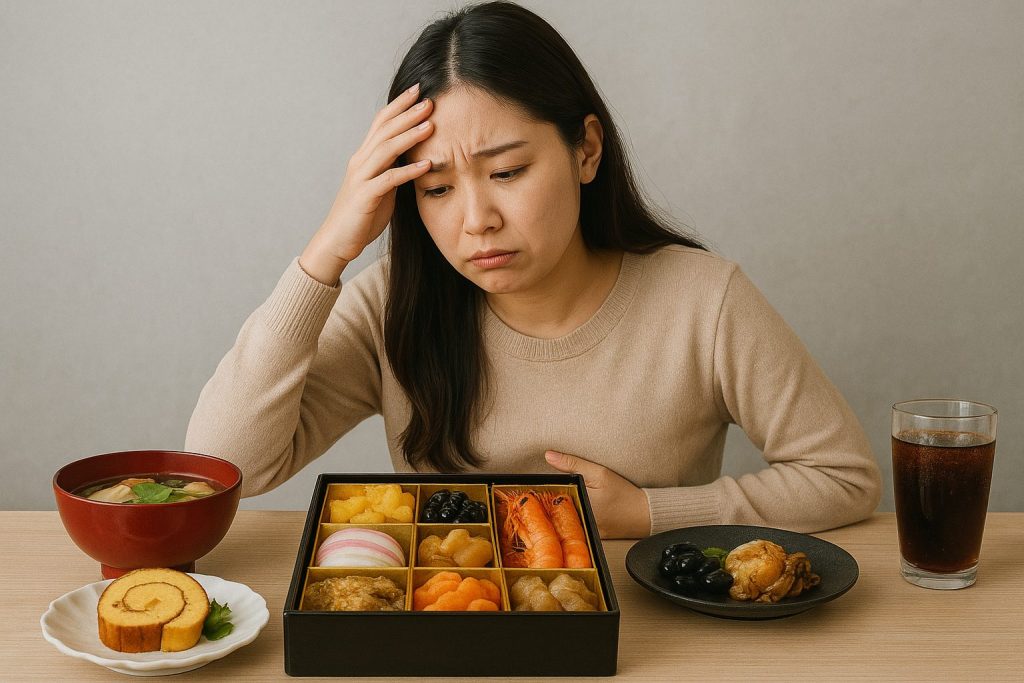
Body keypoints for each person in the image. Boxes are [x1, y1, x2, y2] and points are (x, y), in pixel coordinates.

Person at [185, 1, 881, 538]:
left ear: (585, 149)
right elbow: (227, 467)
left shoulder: (705, 301)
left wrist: (647, 512)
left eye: (509, 171)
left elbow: (844, 478)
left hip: (654, 642)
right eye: (436, 190)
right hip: (449, 631)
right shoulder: (392, 306)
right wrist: (326, 252)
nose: (476, 218)